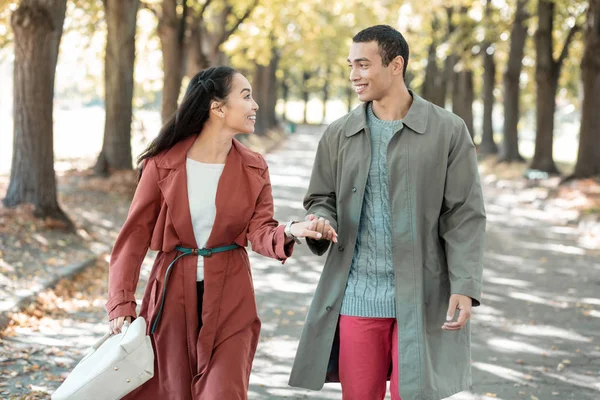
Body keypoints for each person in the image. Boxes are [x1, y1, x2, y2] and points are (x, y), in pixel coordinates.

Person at [105, 66, 337, 400]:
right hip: (171, 299)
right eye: (245, 96)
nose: (255, 104)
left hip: (232, 300)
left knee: (223, 392)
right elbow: (134, 237)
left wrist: (291, 231)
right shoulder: (163, 164)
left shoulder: (254, 166)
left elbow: (260, 231)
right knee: (172, 393)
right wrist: (121, 303)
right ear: (218, 107)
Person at [289, 25, 486, 400]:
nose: (353, 75)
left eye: (363, 65)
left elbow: (464, 215)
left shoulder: (447, 130)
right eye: (350, 65)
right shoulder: (339, 133)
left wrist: (465, 284)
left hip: (424, 296)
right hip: (357, 297)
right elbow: (320, 197)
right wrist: (321, 220)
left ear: (396, 65)